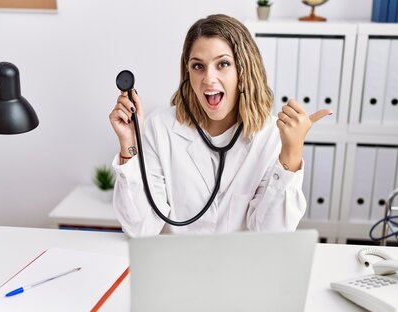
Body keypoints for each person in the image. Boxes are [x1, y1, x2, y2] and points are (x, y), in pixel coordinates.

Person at [109, 14, 331, 237]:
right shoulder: (159, 128)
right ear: (188, 73)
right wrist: (128, 145)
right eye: (198, 66)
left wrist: (292, 152)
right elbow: (141, 230)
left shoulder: (271, 135)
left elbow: (272, 234)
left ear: (243, 71)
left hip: (239, 267)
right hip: (177, 264)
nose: (208, 78)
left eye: (223, 64)